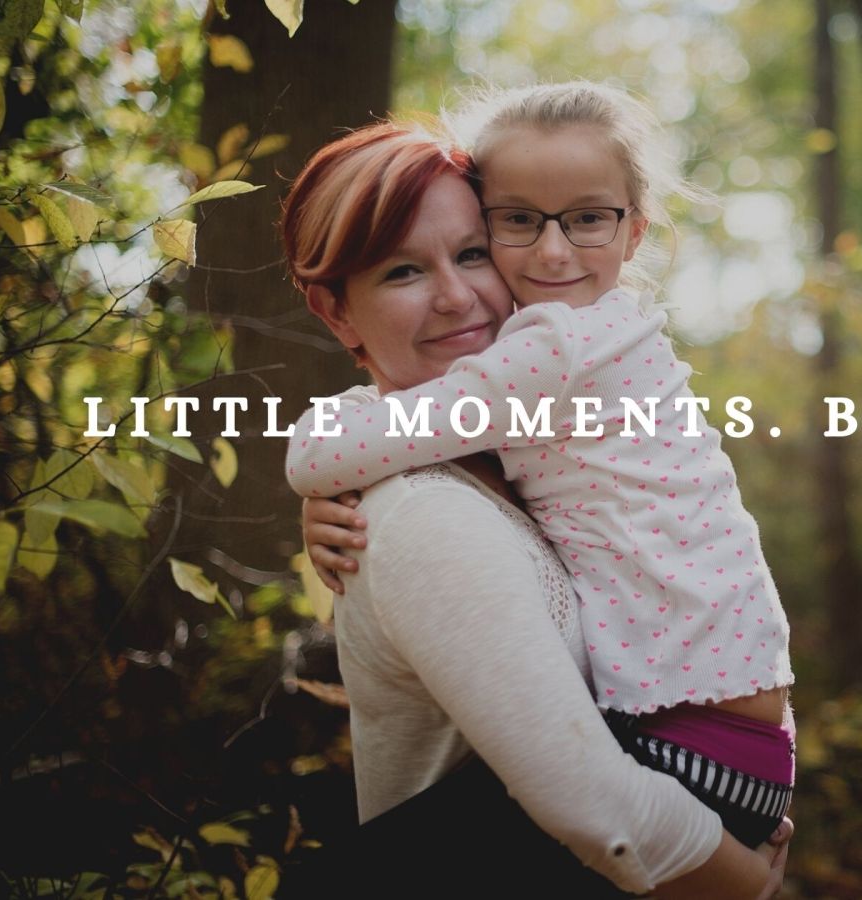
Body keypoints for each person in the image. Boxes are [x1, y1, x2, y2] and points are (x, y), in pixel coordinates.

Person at [277, 120, 786, 897]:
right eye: (404, 271)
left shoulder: (543, 448)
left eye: (473, 253)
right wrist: (749, 887)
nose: (458, 297)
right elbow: (592, 798)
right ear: (335, 311)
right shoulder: (424, 515)